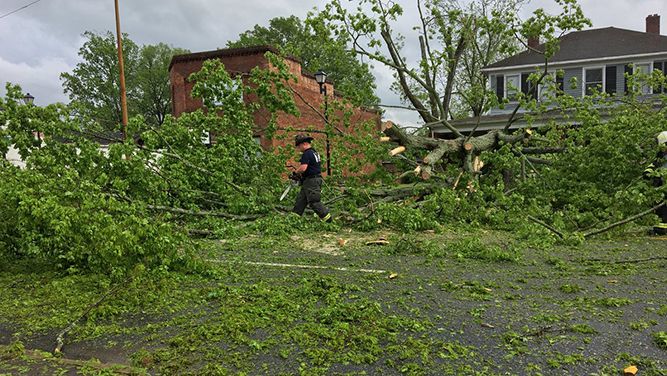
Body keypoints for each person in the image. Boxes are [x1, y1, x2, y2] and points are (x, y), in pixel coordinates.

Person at [291, 134, 332, 222]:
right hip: (309, 180)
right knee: (301, 201)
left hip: (312, 181)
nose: (298, 148)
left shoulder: (307, 153)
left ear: (304, 144)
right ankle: (294, 219)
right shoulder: (314, 152)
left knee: (314, 202)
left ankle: (328, 220)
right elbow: (310, 168)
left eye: (299, 146)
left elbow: (303, 168)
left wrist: (295, 173)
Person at [644, 131, 667, 235]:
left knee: (662, 208)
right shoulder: (661, 155)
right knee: (659, 207)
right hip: (661, 184)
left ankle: (661, 229)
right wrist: (647, 172)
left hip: (663, 184)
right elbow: (654, 164)